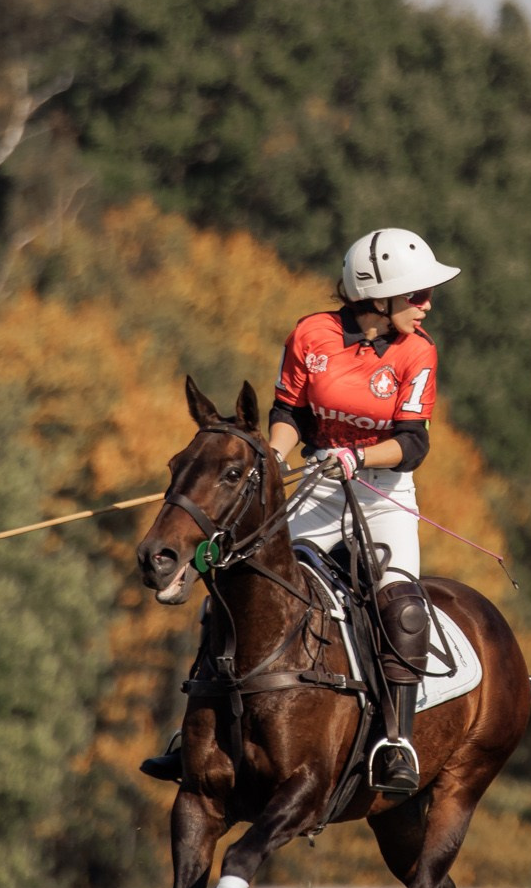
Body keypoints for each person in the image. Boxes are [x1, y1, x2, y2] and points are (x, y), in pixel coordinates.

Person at [141, 227, 456, 795]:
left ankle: (396, 741)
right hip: (316, 483)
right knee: (241, 586)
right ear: (377, 296)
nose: (427, 304)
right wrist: (275, 458)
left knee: (403, 607)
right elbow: (289, 411)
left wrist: (357, 457)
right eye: (417, 295)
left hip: (382, 492)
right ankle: (193, 732)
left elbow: (413, 443)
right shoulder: (312, 335)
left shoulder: (418, 351)